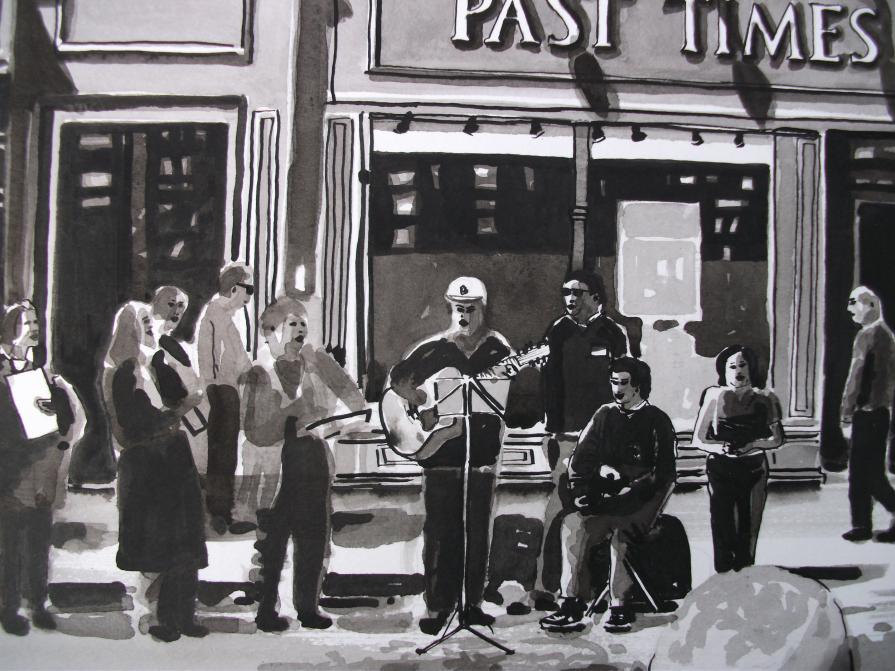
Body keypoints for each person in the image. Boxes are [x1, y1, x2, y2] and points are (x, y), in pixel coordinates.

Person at [388, 276, 516, 635]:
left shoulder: (498, 350)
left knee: (477, 530)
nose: (464, 315)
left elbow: (506, 400)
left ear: (482, 309)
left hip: (481, 454)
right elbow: (398, 380)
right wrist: (421, 401)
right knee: (441, 531)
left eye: (470, 309)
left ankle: (471, 604)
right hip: (440, 454)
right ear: (450, 308)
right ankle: (437, 605)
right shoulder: (434, 349)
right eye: (459, 309)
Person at [244, 297, 367, 632]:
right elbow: (254, 429)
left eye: (303, 323)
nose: (300, 330)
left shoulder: (317, 359)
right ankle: (266, 609)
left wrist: (339, 422)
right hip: (276, 463)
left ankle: (308, 607)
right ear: (272, 331)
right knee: (272, 539)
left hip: (312, 458)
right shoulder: (259, 371)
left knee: (313, 536)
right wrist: (292, 414)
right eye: (292, 323)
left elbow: (353, 397)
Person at [516, 270, 628, 614]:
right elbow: (549, 382)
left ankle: (592, 589)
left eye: (578, 292)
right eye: (566, 292)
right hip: (563, 436)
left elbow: (625, 383)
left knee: (596, 511)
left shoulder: (613, 334)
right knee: (558, 508)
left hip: (602, 438)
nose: (570, 299)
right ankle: (544, 588)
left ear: (596, 297)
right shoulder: (558, 331)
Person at [539, 357, 676, 634]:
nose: (618, 389)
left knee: (622, 534)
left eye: (624, 383)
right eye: (614, 382)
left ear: (639, 386)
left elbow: (663, 474)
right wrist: (581, 492)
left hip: (642, 501)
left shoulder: (657, 420)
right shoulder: (604, 415)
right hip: (606, 497)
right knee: (574, 525)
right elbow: (580, 460)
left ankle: (619, 607)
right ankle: (571, 605)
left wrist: (630, 490)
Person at [104, 301, 207, 642]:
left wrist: (182, 398)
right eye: (144, 321)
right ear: (130, 329)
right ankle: (163, 618)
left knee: (186, 542)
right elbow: (130, 425)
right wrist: (171, 415)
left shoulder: (156, 363)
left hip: (174, 459)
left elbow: (184, 396)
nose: (151, 325)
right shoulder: (124, 373)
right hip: (149, 467)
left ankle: (185, 615)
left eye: (150, 319)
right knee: (162, 545)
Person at [0, 300, 82, 636]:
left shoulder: (41, 371)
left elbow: (63, 418)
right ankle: (8, 607)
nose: (35, 328)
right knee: (9, 541)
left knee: (38, 536)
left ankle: (37, 602)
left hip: (40, 468)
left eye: (36, 322)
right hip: (11, 469)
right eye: (28, 323)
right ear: (10, 329)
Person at [691, 345, 785, 572]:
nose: (738, 371)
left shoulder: (766, 398)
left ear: (752, 368)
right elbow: (698, 439)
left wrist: (752, 445)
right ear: (723, 371)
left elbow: (777, 439)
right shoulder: (714, 395)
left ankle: (746, 572)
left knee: (749, 525)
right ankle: (723, 574)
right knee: (723, 523)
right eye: (732, 366)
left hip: (754, 468)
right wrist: (720, 448)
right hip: (720, 467)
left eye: (743, 365)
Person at [196, 263, 256, 535]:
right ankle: (220, 513)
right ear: (234, 289)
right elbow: (215, 359)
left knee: (225, 453)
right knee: (223, 453)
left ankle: (222, 512)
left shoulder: (223, 316)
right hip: (222, 391)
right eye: (248, 290)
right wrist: (214, 388)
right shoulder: (217, 315)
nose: (249, 298)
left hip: (225, 389)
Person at [839, 287, 895, 543]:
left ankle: (862, 524)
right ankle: (861, 524)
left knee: (864, 473)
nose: (850, 308)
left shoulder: (867, 335)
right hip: (881, 413)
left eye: (854, 303)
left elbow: (856, 376)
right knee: (868, 472)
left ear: (871, 305)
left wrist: (846, 412)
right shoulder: (887, 336)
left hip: (866, 413)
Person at [150, 286, 208, 473]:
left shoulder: (173, 344)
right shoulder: (150, 344)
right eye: (171, 304)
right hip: (165, 421)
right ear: (155, 305)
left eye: (181, 306)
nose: (176, 310)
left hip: (188, 421)